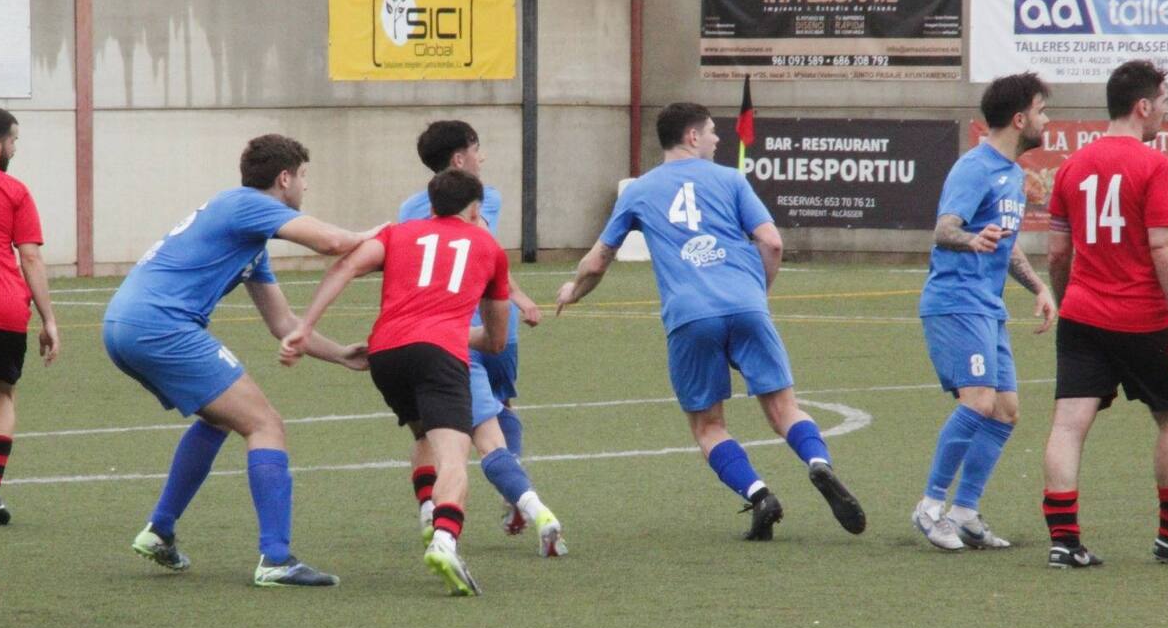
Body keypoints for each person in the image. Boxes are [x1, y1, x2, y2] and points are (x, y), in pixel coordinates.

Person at [556, 102, 866, 541]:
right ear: (691, 137)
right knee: (784, 410)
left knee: (708, 426)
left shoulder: (639, 191)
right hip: (746, 305)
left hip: (689, 316)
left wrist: (573, 290)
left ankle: (759, 495)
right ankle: (818, 464)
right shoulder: (731, 179)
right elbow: (772, 243)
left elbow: (598, 260)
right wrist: (758, 296)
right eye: (712, 131)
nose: (719, 139)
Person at [103, 134, 376, 588]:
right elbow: (332, 243)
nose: (305, 188)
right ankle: (276, 558)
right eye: (303, 177)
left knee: (219, 420)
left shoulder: (247, 236)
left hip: (126, 325)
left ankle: (160, 530)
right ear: (284, 178)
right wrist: (382, 234)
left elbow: (283, 322)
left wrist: (342, 356)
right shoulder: (247, 204)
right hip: (160, 326)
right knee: (265, 424)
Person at [281, 168, 510, 597]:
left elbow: (345, 267)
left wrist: (305, 327)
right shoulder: (490, 248)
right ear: (475, 208)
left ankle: (427, 510)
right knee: (454, 458)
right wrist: (448, 333)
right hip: (439, 354)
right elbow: (495, 341)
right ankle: (444, 539)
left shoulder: (398, 233)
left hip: (384, 353)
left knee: (422, 432)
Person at [397, 121, 565, 557]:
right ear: (459, 160)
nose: (482, 157)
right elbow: (482, 253)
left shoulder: (407, 210)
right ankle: (516, 497)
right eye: (477, 148)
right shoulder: (486, 198)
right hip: (493, 328)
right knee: (500, 410)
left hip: (444, 335)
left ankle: (430, 510)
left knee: (429, 431)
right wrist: (522, 298)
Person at [912, 73, 1057, 551]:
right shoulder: (974, 168)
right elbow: (944, 229)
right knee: (977, 402)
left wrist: (1037, 286)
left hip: (986, 307)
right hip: (955, 302)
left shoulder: (1014, 175)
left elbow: (1008, 246)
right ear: (1020, 119)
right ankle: (930, 507)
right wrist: (970, 238)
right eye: (1040, 110)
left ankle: (965, 511)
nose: (1045, 119)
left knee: (1006, 411)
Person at [1042, 59, 1168, 568]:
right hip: (1145, 318)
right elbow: (1164, 248)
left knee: (1068, 424)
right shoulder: (1158, 165)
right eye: (1163, 102)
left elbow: (1058, 254)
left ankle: (1064, 541)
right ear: (1142, 106)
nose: (1166, 111)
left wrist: (1066, 296)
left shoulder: (1072, 166)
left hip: (1082, 316)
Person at [0, 106, 59, 526]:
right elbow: (30, 257)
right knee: (0, 394)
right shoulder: (15, 191)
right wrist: (48, 319)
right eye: (13, 142)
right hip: (3, 306)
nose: (13, 149)